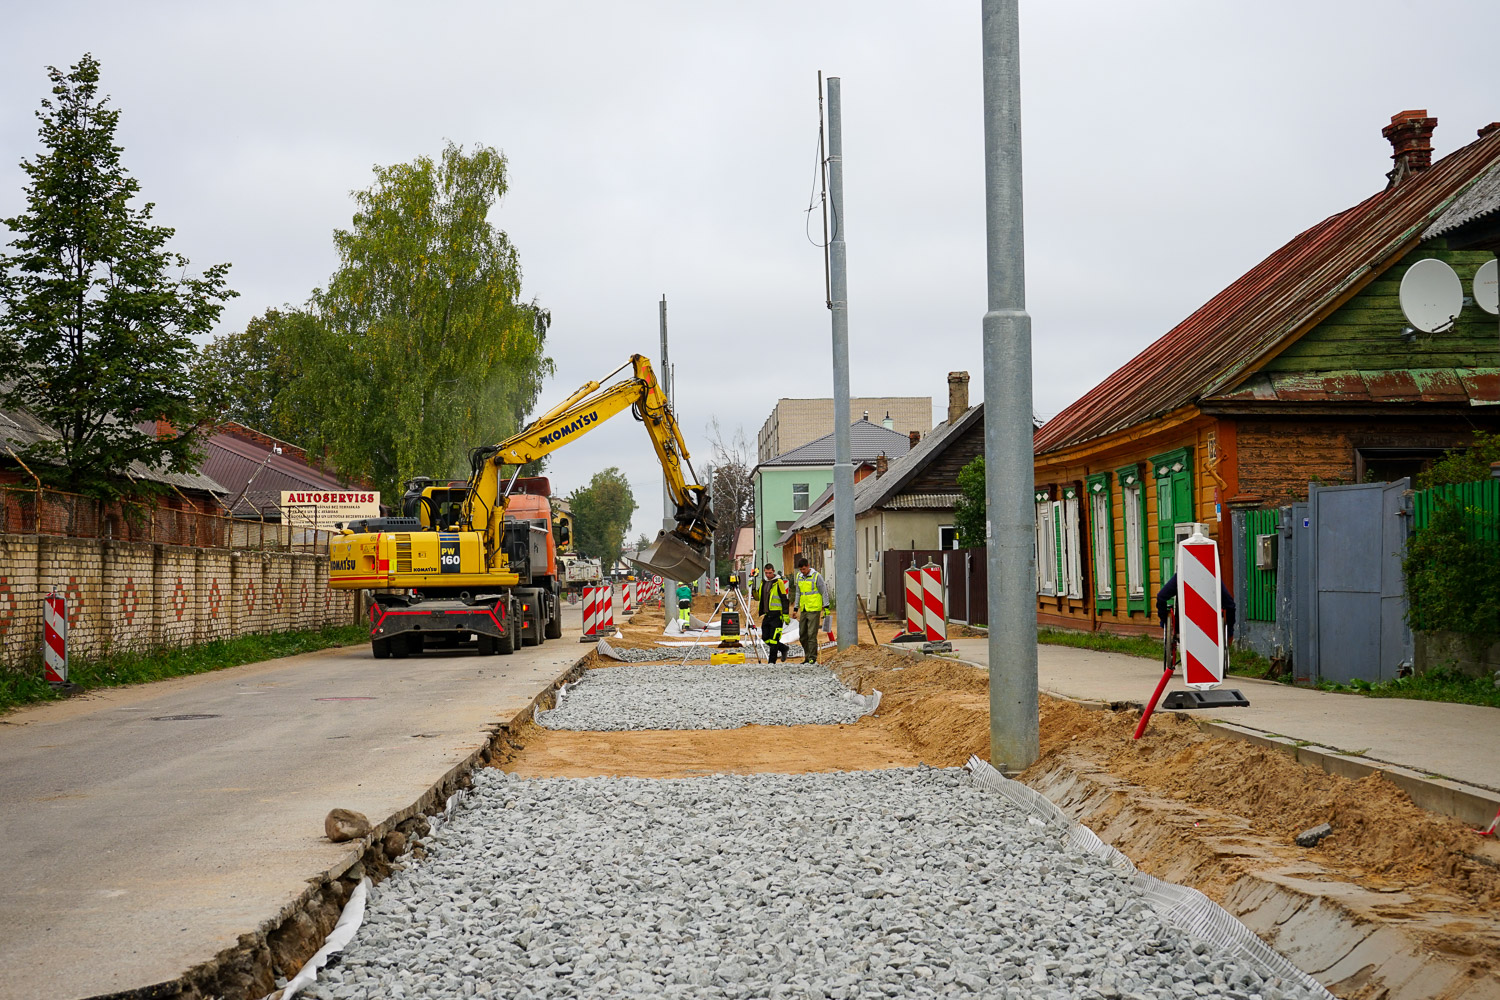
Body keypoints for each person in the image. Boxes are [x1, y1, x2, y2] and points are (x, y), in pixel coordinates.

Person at [1156, 572, 1237, 647]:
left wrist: (1164, 621)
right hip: (1211, 631)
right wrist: (1229, 631)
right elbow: (1230, 605)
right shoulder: (1211, 575)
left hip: (1186, 628)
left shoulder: (1181, 574)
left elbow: (1161, 597)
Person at [792, 557, 827, 664]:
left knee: (811, 634)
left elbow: (823, 591)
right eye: (800, 570)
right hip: (804, 609)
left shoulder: (816, 576)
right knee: (802, 634)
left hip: (814, 609)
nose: (802, 571)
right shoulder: (799, 576)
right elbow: (798, 593)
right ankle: (807, 656)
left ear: (808, 566)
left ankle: (812, 657)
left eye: (804, 569)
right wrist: (795, 608)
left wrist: (826, 607)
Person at [757, 562, 790, 663]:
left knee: (774, 639)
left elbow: (784, 599)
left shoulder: (778, 582)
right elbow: (759, 597)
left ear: (773, 571)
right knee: (765, 637)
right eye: (766, 573)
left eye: (770, 573)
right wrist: (753, 589)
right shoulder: (764, 582)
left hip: (777, 615)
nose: (768, 575)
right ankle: (783, 648)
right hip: (767, 615)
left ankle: (772, 662)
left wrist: (785, 614)